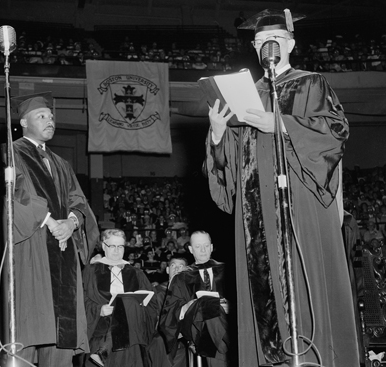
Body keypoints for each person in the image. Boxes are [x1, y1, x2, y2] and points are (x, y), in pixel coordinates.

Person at [204, 9, 359, 366]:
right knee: (264, 289)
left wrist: (279, 124)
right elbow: (228, 165)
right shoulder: (244, 94)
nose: (265, 46)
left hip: (299, 205)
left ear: (290, 43)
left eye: (272, 40)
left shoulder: (310, 83)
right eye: (258, 42)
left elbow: (335, 133)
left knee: (304, 292)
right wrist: (216, 133)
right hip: (256, 214)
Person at [0, 92, 99, 366]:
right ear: (23, 121)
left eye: (50, 116)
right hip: (30, 251)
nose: (50, 120)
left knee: (60, 341)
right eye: (41, 116)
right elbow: (8, 199)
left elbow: (79, 202)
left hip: (63, 257)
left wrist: (71, 223)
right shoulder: (7, 153)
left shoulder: (62, 164)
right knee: (24, 332)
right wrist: (50, 222)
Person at [83, 229, 166, 367]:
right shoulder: (90, 271)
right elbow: (80, 299)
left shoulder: (136, 273)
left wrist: (137, 309)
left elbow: (152, 303)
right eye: (112, 246)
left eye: (120, 246)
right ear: (104, 246)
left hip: (131, 328)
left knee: (128, 301)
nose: (116, 251)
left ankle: (105, 350)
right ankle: (103, 350)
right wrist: (98, 309)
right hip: (101, 324)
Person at [159, 231, 229, 367]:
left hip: (223, 324)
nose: (203, 250)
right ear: (191, 249)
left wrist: (230, 306)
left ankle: (223, 343)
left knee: (210, 339)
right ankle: (230, 342)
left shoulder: (228, 270)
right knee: (207, 303)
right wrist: (187, 306)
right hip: (194, 325)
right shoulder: (181, 277)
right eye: (198, 246)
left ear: (212, 247)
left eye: (206, 245)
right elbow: (168, 314)